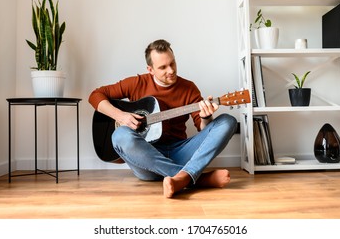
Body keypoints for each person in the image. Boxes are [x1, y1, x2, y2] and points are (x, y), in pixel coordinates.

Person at [89, 39, 237, 198]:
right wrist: (121, 116)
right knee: (119, 135)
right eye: (163, 67)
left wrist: (206, 116)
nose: (171, 70)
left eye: (172, 63)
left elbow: (203, 129)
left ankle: (182, 177)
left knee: (228, 121)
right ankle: (198, 178)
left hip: (180, 152)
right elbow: (95, 95)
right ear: (150, 69)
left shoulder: (188, 88)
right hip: (146, 160)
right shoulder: (136, 83)